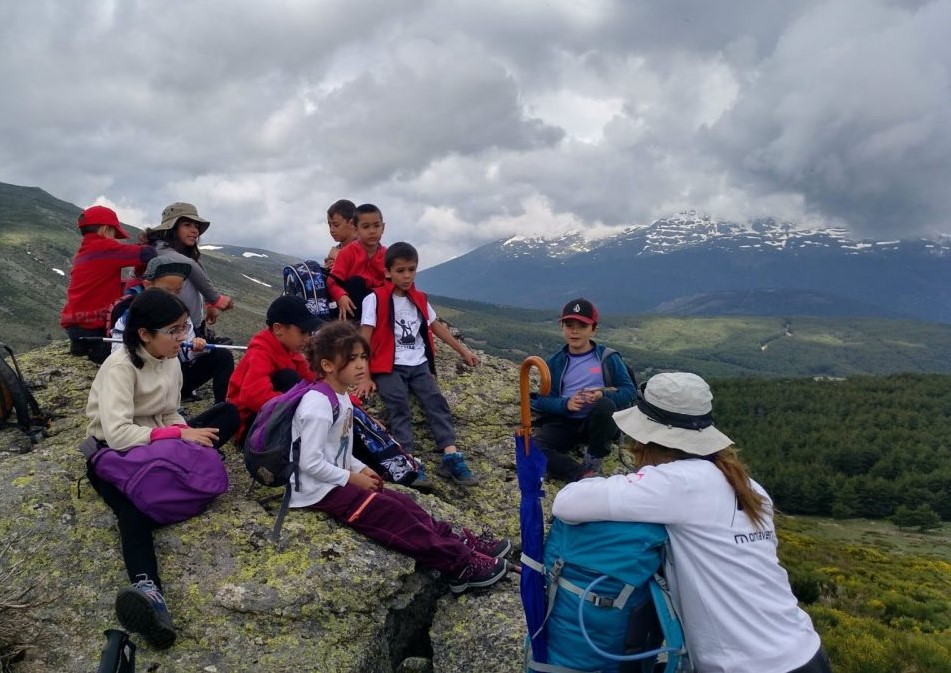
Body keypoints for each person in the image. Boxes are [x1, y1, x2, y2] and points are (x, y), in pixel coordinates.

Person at [551, 373, 832, 673]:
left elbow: (567, 502)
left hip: (749, 666)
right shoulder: (749, 487)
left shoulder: (677, 482)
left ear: (648, 438)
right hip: (805, 650)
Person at [291, 321, 510, 592]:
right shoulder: (318, 406)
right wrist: (352, 478)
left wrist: (359, 467)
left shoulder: (341, 397)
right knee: (393, 516)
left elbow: (337, 447)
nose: (361, 365)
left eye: (363, 357)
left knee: (404, 503)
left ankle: (460, 544)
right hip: (317, 491)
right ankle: (460, 567)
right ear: (326, 365)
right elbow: (309, 462)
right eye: (351, 359)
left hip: (334, 481)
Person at [83, 289, 240, 649]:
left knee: (227, 414)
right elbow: (118, 435)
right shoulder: (120, 367)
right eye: (174, 330)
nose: (182, 337)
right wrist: (178, 436)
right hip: (116, 454)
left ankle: (171, 481)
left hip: (160, 443)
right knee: (133, 512)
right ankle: (149, 592)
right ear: (144, 334)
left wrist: (185, 439)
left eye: (184, 327)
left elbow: (170, 411)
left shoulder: (168, 359)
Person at [357, 242, 482, 486]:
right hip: (389, 366)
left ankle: (451, 455)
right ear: (387, 272)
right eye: (400, 270)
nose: (407, 276)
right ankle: (408, 461)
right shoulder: (375, 299)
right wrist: (365, 374)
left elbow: (436, 327)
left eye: (411, 269)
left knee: (436, 401)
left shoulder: (419, 298)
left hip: (418, 364)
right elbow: (365, 337)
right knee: (399, 406)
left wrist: (463, 351)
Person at [530, 298, 636, 481]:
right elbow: (544, 400)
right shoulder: (554, 362)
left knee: (604, 405)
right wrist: (566, 404)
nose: (575, 331)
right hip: (566, 422)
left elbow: (629, 391)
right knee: (533, 449)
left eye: (582, 326)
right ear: (562, 327)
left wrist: (602, 394)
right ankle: (582, 475)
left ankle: (594, 458)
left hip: (599, 423)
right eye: (569, 325)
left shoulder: (608, 358)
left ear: (593, 329)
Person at [111, 258, 235, 404]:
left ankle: (222, 405)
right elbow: (118, 357)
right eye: (167, 290)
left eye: (178, 291)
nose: (172, 296)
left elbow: (184, 354)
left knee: (223, 356)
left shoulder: (181, 315)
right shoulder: (130, 317)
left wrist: (196, 349)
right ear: (148, 285)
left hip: (175, 379)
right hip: (140, 384)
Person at [61, 205, 155, 364]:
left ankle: (80, 348)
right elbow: (147, 254)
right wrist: (152, 242)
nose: (115, 240)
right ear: (105, 230)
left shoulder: (82, 253)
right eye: (113, 234)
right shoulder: (105, 248)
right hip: (96, 328)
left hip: (74, 326)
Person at [226, 295, 320, 446]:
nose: (307, 339)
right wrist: (300, 406)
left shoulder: (290, 350)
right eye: (302, 332)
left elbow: (315, 380)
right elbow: (253, 396)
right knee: (289, 378)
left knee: (300, 385)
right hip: (247, 426)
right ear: (278, 329)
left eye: (310, 333)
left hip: (268, 416)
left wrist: (339, 398)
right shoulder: (260, 352)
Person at [145, 202, 234, 341]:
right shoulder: (160, 250)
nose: (195, 231)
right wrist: (215, 299)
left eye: (196, 226)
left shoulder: (182, 252)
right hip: (171, 332)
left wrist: (209, 303)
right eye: (187, 225)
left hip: (190, 328)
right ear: (171, 228)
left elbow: (196, 266)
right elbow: (189, 265)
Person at [326, 203, 387, 321]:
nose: (372, 231)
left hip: (379, 304)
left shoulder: (388, 255)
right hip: (353, 306)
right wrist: (341, 296)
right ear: (355, 228)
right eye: (366, 227)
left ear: (383, 227)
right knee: (356, 282)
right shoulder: (347, 253)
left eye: (376, 226)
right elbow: (332, 281)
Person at [323, 199, 358, 270]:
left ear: (352, 223)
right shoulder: (336, 250)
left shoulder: (366, 247)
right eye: (330, 225)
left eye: (336, 225)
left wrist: (340, 258)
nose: (331, 230)